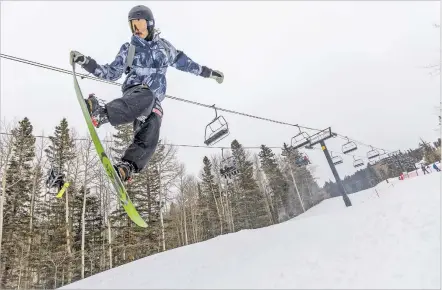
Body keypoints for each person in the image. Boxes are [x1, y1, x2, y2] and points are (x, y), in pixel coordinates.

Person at [70, 5, 224, 182]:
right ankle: (102, 113)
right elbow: (111, 72)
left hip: (154, 102)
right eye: (132, 25)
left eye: (140, 25)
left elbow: (187, 64)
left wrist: (209, 73)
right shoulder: (130, 49)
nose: (136, 30)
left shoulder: (165, 48)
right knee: (147, 95)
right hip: (136, 93)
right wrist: (86, 62)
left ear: (150, 24)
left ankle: (127, 166)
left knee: (152, 127)